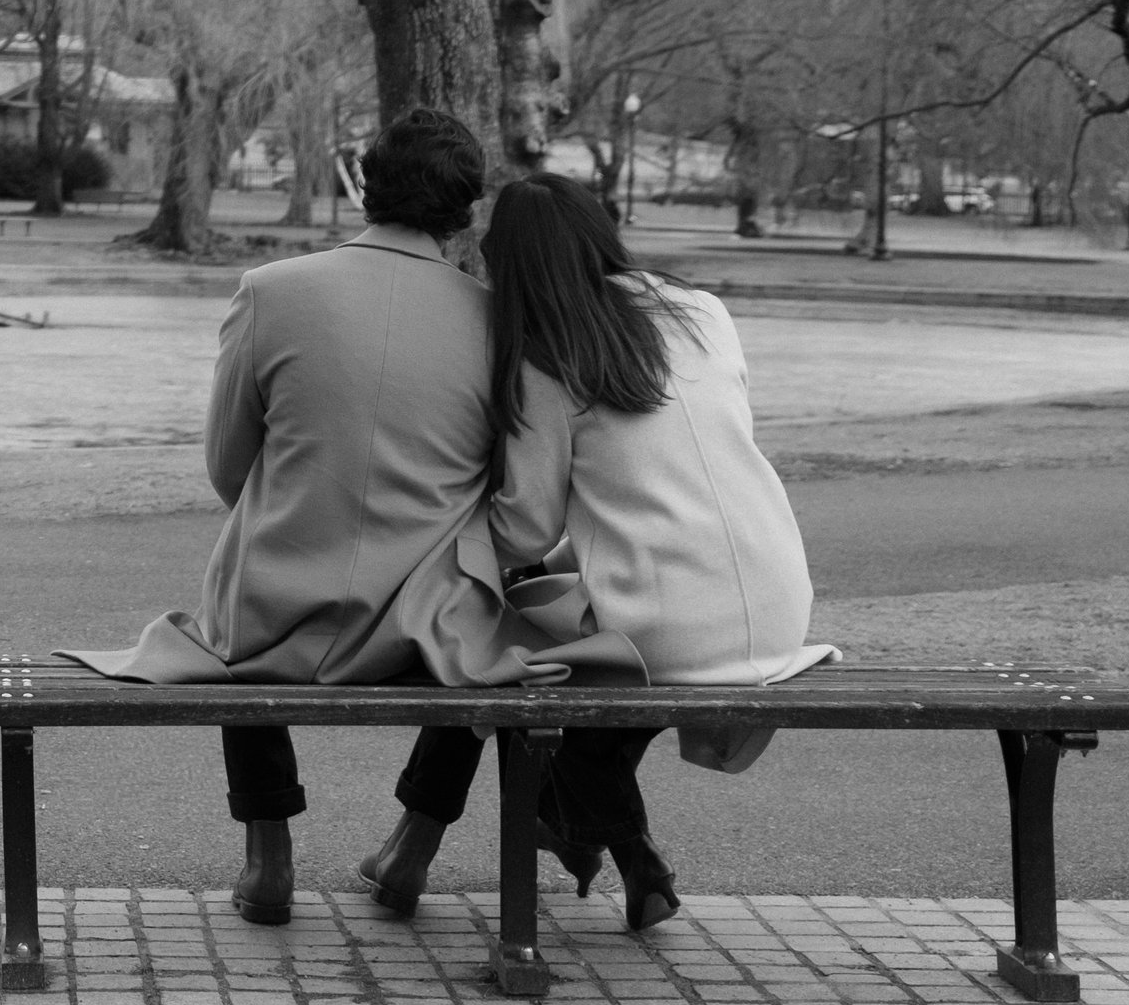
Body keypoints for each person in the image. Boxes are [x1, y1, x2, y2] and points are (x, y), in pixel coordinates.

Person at [355, 172, 834, 931]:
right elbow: (677, 475)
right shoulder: (703, 312)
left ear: (508, 264)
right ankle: (616, 849)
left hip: (666, 628)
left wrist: (454, 535)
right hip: (776, 604)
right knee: (550, 655)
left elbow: (524, 529)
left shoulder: (544, 356)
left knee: (477, 638)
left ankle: (425, 847)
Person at [60, 108, 499, 924]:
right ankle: (414, 844)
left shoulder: (273, 291)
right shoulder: (494, 319)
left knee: (235, 583)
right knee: (492, 624)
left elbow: (229, 465)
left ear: (367, 186)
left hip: (277, 613)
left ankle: (269, 856)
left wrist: (293, 517)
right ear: (465, 210)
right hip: (423, 628)